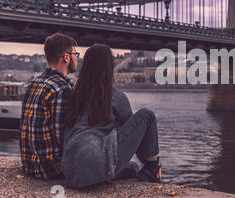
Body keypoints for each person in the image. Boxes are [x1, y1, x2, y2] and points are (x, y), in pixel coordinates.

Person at [62, 44, 161, 189]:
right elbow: (135, 137)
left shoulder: (73, 95)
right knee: (147, 115)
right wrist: (150, 158)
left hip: (72, 171)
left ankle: (106, 173)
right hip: (97, 161)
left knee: (133, 167)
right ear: (109, 67)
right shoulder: (115, 97)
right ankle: (153, 168)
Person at [19, 33, 78, 179]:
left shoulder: (33, 83)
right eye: (75, 54)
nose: (77, 58)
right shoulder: (63, 88)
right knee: (130, 167)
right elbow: (63, 136)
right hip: (52, 169)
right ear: (66, 57)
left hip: (30, 165)